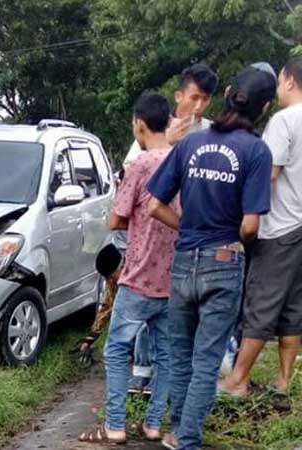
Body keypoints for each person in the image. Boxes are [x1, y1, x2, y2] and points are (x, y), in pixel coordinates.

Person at [147, 66, 276, 450]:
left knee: (180, 354)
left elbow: (155, 205)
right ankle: (186, 440)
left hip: (184, 259)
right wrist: (230, 238)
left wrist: (188, 226)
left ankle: (175, 432)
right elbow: (251, 226)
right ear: (265, 106)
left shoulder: (191, 143)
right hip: (224, 260)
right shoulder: (256, 151)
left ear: (229, 93)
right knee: (207, 360)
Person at [79, 92, 178, 445]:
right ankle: (153, 425)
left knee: (117, 350)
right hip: (173, 279)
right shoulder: (183, 160)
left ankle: (116, 425)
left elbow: (116, 218)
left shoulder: (140, 165)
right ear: (168, 121)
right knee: (166, 355)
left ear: (139, 124)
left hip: (138, 277)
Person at [219, 57, 302, 410]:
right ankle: (283, 383)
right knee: (293, 308)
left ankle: (237, 381)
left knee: (261, 305)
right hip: (300, 225)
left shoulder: (284, 121)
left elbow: (267, 175)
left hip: (278, 227)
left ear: (287, 80)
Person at [123, 64, 219, 167]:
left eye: (205, 99)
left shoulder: (213, 131)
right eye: (194, 98)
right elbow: (129, 166)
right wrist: (163, 142)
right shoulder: (157, 124)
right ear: (178, 96)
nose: (198, 106)